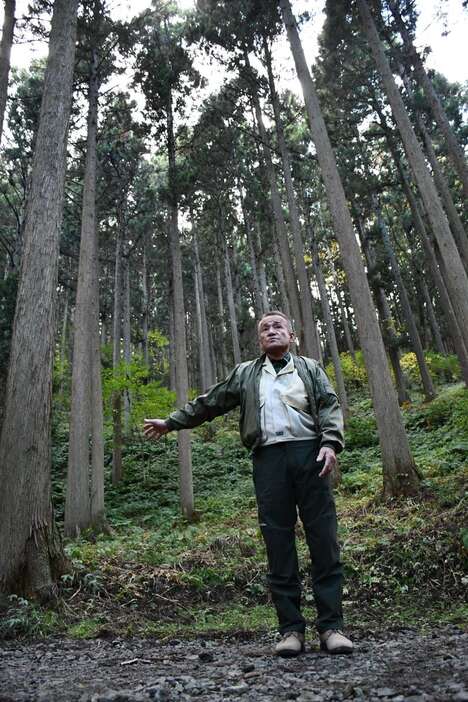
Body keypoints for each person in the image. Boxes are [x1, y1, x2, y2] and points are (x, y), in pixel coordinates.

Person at [144, 311, 352, 657]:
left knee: (324, 539)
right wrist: (171, 422)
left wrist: (330, 443)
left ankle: (332, 627)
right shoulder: (246, 373)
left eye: (277, 326)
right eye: (265, 328)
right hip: (268, 460)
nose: (271, 331)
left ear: (292, 334)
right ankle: (291, 631)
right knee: (277, 541)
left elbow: (330, 405)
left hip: (310, 455)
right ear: (259, 340)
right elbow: (209, 402)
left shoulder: (310, 368)